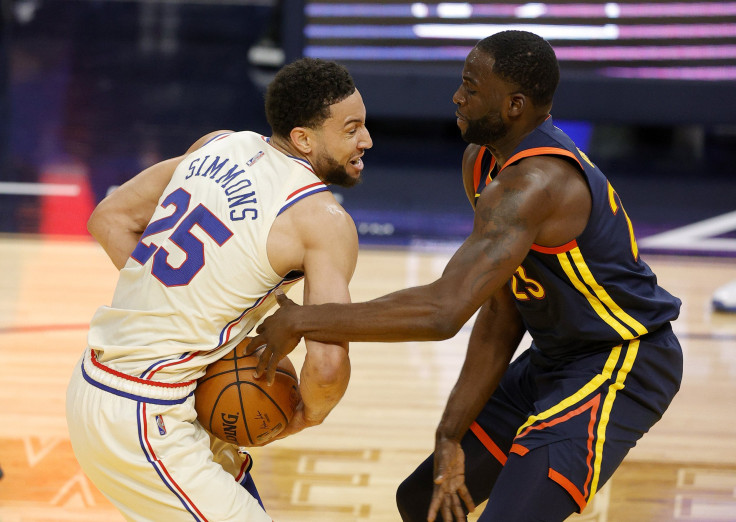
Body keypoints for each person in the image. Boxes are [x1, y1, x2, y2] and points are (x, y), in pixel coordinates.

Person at [251, 31, 683, 521]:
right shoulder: (481, 162)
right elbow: (500, 309)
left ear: (515, 105)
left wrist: (305, 320)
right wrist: (450, 433)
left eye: (471, 88)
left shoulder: (534, 185)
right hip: (556, 358)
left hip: (622, 361)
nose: (457, 96)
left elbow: (443, 312)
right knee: (424, 504)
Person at [65, 57, 372, 521]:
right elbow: (327, 364)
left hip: (103, 382)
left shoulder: (217, 145)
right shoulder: (323, 221)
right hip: (146, 416)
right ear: (304, 138)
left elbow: (109, 217)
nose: (366, 141)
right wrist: (307, 415)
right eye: (351, 130)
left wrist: (173, 301)